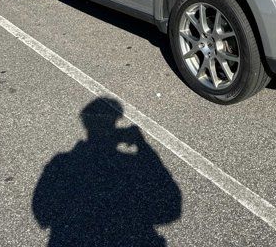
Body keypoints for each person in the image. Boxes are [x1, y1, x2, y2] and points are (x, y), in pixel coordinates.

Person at [32, 97, 182, 246]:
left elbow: (42, 213)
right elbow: (171, 208)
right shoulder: (132, 163)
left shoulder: (61, 162)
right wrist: (142, 145)